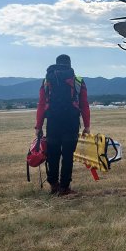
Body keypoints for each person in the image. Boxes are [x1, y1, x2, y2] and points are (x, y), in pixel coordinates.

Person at [35, 54, 90, 196]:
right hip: (71, 122)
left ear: (56, 63)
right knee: (67, 156)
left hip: (52, 122)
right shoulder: (78, 80)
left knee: (52, 154)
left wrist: (39, 126)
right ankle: (64, 188)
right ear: (70, 65)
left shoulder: (47, 81)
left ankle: (54, 185)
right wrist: (87, 126)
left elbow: (41, 104)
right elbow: (84, 105)